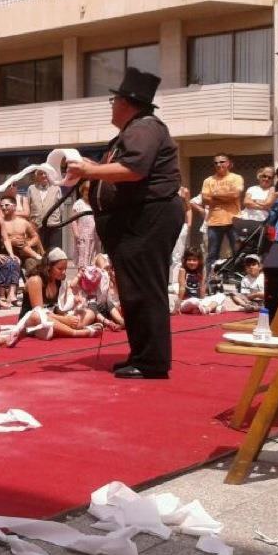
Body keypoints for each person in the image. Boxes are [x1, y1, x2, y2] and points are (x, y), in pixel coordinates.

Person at [66, 67, 183, 379]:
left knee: (144, 288)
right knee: (133, 290)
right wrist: (90, 168)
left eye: (114, 100)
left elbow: (134, 169)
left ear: (127, 103)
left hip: (148, 217)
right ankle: (143, 354)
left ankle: (151, 361)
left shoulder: (143, 128)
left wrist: (90, 172)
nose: (112, 106)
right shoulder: (132, 132)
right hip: (136, 220)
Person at [8, 248, 102, 345]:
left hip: (53, 319)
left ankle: (60, 330)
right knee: (37, 316)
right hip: (33, 321)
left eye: (65, 269)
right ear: (48, 267)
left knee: (89, 313)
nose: (64, 272)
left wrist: (74, 305)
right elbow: (39, 312)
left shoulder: (57, 281)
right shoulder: (35, 280)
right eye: (60, 269)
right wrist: (65, 319)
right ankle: (77, 332)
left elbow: (57, 309)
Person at [201, 154, 243, 272]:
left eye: (222, 162)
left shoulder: (236, 178)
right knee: (212, 255)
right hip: (214, 222)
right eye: (216, 163)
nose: (219, 165)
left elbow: (235, 195)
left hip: (233, 220)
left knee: (238, 253)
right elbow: (205, 200)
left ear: (229, 163)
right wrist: (226, 196)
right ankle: (210, 280)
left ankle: (238, 279)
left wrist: (214, 195)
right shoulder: (208, 180)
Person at [27, 169, 64, 251]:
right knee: (38, 252)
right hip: (36, 226)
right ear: (37, 176)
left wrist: (55, 219)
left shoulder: (56, 188)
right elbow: (28, 206)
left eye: (45, 173)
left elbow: (61, 208)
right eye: (41, 174)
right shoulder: (31, 188)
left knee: (54, 252)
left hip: (53, 226)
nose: (43, 176)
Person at [70, 182, 97, 269]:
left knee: (93, 262)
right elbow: (73, 220)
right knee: (83, 263)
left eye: (90, 190)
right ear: (82, 191)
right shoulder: (78, 204)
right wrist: (76, 234)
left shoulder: (95, 203)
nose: (88, 192)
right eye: (86, 190)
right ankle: (81, 281)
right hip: (83, 237)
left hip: (94, 237)